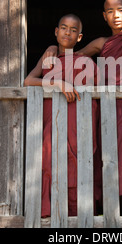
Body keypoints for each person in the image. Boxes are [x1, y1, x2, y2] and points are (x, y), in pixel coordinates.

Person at [42, 0, 122, 215]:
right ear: (104, 16)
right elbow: (70, 56)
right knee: (110, 161)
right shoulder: (101, 43)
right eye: (110, 11)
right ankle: (111, 213)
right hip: (109, 111)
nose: (116, 15)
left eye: (121, 10)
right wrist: (51, 46)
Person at [24, 14, 102, 217]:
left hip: (78, 127)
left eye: (73, 30)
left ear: (80, 37)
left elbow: (99, 93)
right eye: (64, 28)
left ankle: (80, 217)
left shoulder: (85, 61)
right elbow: (28, 81)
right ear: (56, 32)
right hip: (52, 124)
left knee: (79, 169)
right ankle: (49, 217)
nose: (68, 32)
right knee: (49, 164)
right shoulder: (49, 58)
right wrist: (57, 83)